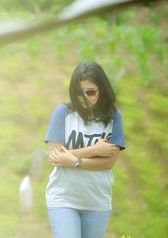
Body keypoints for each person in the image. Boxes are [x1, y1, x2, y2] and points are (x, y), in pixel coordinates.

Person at [44, 61, 125, 238]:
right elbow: (55, 156)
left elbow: (109, 162)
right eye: (79, 93)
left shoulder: (113, 118)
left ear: (101, 90)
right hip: (63, 198)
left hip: (97, 201)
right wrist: (93, 150)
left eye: (90, 92)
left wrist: (73, 160)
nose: (84, 98)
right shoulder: (63, 113)